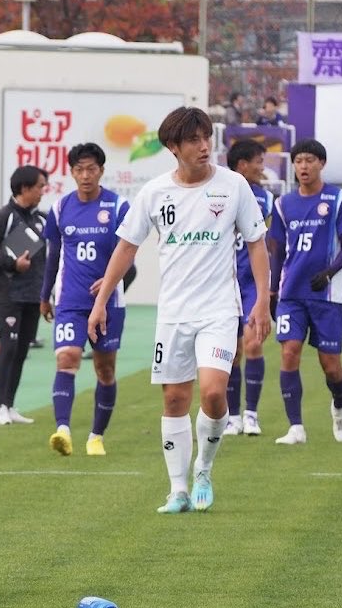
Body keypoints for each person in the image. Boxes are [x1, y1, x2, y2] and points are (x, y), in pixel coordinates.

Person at [87, 106, 272, 514]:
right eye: (193, 140)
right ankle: (178, 489)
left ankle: (204, 469)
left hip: (220, 309)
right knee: (174, 400)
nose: (204, 145)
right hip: (172, 313)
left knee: (213, 392)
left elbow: (257, 243)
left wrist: (262, 300)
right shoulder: (154, 193)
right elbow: (126, 247)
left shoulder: (234, 185)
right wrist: (101, 302)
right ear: (173, 147)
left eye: (206, 137)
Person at [39, 143, 129, 457]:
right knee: (67, 359)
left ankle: (96, 436)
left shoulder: (118, 207)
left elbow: (127, 254)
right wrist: (44, 295)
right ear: (71, 172)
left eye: (91, 169)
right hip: (70, 301)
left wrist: (111, 278)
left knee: (105, 370)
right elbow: (53, 256)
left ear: (102, 171)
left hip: (108, 304)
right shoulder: (60, 208)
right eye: (79, 169)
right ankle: (62, 430)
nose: (85, 175)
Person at [269, 139, 342, 445]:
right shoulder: (283, 204)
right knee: (289, 352)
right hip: (291, 293)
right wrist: (272, 291)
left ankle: (340, 405)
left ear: (321, 163)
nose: (303, 166)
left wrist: (329, 273)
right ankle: (296, 427)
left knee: (331, 366)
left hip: (326, 294)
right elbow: (278, 252)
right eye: (298, 161)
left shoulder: (338, 199)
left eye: (309, 160)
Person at [0, 165, 47, 426]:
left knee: (20, 350)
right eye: (39, 186)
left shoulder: (41, 219)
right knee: (8, 348)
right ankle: (0, 407)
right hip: (8, 294)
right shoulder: (3, 217)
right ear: (25, 188)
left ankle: (10, 404)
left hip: (32, 295)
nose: (42, 191)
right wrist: (11, 263)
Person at [224, 139, 274, 436]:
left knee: (253, 344)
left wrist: (269, 287)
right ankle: (232, 417)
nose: (262, 167)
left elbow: (269, 245)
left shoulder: (265, 199)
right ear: (242, 165)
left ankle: (251, 414)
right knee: (231, 352)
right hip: (226, 284)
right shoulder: (218, 194)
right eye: (258, 162)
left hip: (252, 283)